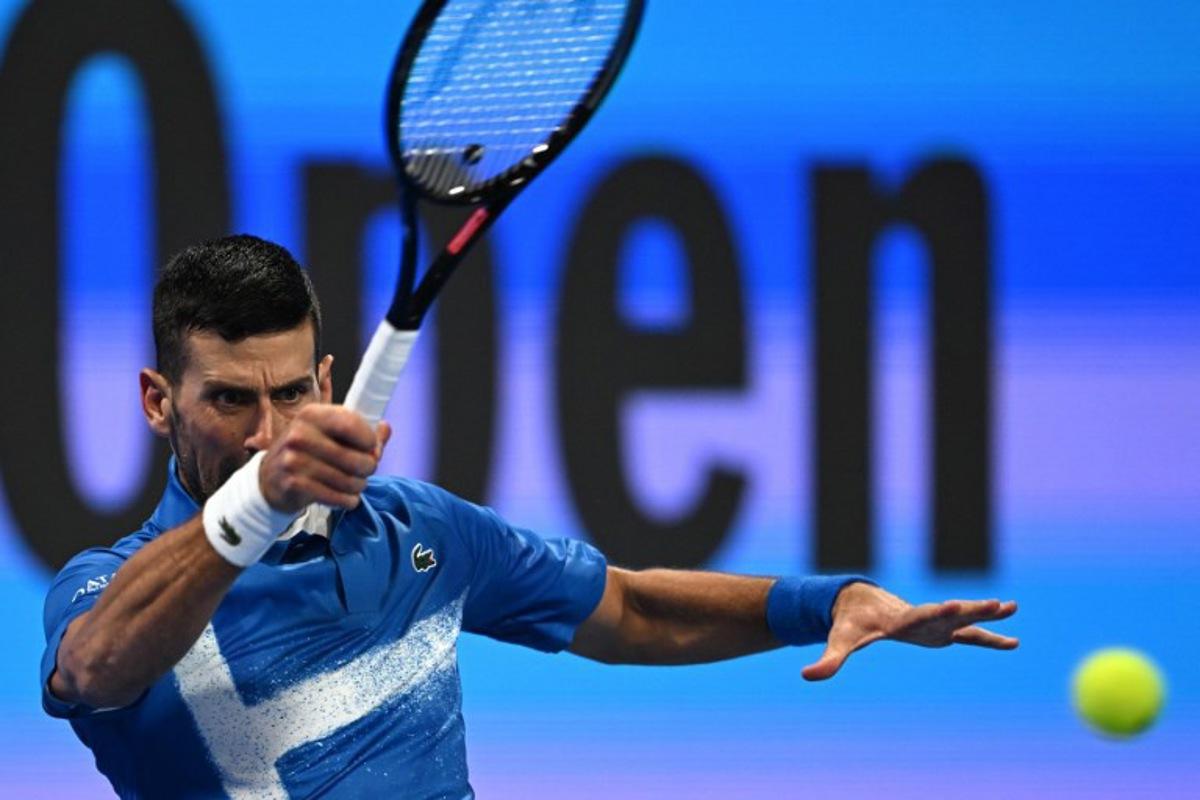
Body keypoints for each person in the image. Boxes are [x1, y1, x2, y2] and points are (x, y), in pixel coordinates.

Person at [41, 235, 1018, 799]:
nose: (267, 431)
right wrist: (260, 500)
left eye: (292, 392)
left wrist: (824, 601)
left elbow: (630, 610)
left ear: (328, 383)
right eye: (228, 400)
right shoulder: (108, 584)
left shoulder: (420, 533)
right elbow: (98, 666)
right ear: (158, 400)